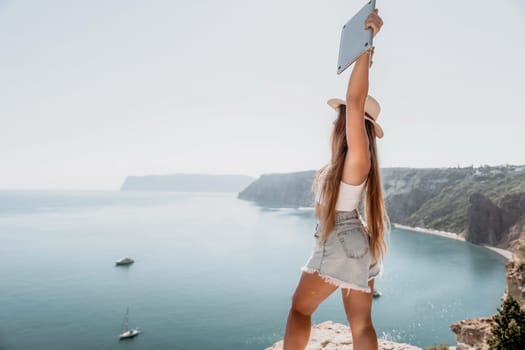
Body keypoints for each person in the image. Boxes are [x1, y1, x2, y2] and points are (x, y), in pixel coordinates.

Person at [282, 8, 389, 350]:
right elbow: (355, 105)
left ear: (352, 124)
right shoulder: (350, 164)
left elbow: (355, 103)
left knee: (299, 311)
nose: (334, 122)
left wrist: (365, 52)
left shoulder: (358, 159)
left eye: (339, 116)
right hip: (357, 240)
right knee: (361, 324)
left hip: (341, 240)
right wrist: (364, 61)